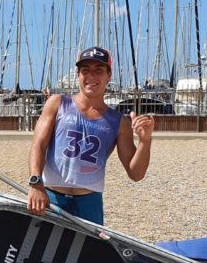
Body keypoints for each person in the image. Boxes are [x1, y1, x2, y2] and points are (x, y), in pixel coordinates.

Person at [27, 46, 154, 225]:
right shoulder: (57, 103)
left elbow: (136, 174)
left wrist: (145, 141)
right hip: (51, 196)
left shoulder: (119, 122)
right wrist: (35, 183)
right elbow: (38, 145)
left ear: (109, 75)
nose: (91, 77)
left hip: (89, 202)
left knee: (88, 252)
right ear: (78, 74)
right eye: (85, 70)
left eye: (99, 70)